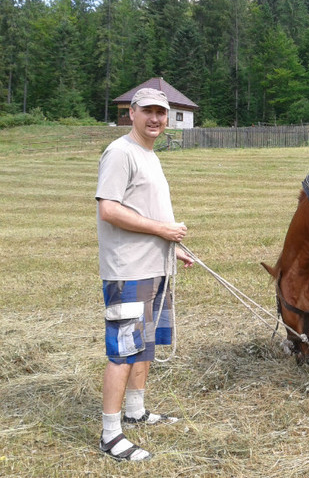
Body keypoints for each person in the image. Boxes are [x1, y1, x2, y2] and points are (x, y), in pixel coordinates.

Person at [95, 88, 193, 461]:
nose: (155, 119)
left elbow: (146, 209)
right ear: (131, 113)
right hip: (129, 269)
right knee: (123, 351)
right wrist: (163, 231)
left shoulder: (149, 154)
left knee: (145, 345)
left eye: (161, 113)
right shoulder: (120, 153)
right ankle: (110, 434)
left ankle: (135, 411)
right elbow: (110, 210)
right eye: (148, 111)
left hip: (155, 265)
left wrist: (173, 246)